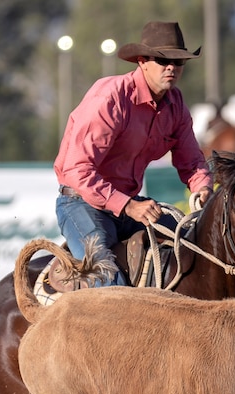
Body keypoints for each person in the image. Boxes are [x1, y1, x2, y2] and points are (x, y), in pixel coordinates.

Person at [53, 21, 214, 286]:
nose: (171, 67)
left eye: (179, 61)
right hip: (81, 203)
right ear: (142, 61)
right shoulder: (111, 98)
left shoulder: (176, 105)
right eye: (162, 60)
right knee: (108, 282)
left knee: (195, 247)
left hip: (128, 206)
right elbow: (76, 170)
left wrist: (203, 188)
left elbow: (192, 161)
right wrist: (129, 205)